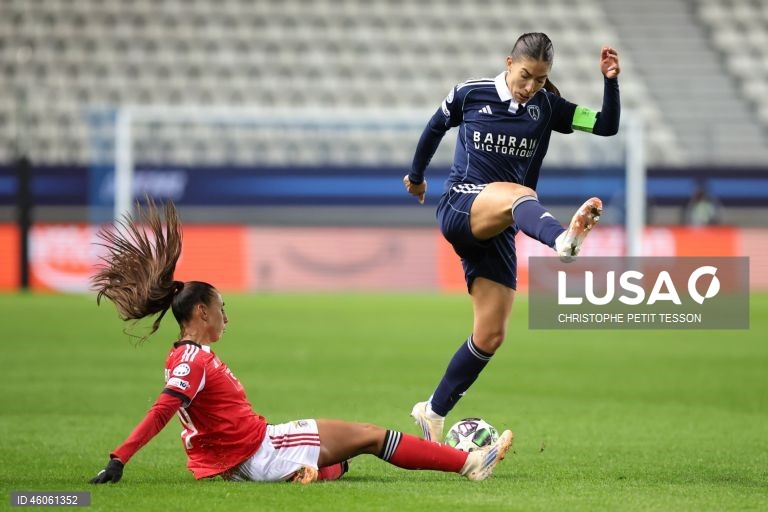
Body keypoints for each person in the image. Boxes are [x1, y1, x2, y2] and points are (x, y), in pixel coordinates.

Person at [88, 200, 513, 485]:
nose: (225, 315)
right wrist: (119, 458)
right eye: (220, 307)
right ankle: (470, 462)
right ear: (200, 312)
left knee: (345, 456)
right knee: (371, 436)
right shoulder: (192, 360)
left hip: (241, 458)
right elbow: (164, 407)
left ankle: (303, 474)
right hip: (258, 451)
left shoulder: (186, 356)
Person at [403, 33, 621, 441]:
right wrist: (416, 179)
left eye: (540, 80)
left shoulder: (548, 107)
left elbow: (606, 125)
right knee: (522, 193)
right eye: (525, 76)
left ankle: (432, 412)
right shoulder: (470, 94)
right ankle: (562, 242)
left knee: (490, 335)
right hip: (461, 204)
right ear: (508, 63)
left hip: (500, 224)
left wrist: (610, 81)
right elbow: (434, 128)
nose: (530, 87)